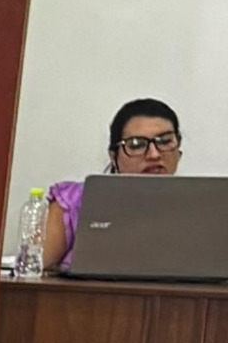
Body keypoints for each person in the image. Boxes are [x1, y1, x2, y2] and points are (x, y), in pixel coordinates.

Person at [40, 94, 182, 268]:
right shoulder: (74, 202)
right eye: (136, 144)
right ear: (114, 157)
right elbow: (33, 272)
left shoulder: (201, 207)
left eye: (165, 141)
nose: (154, 154)